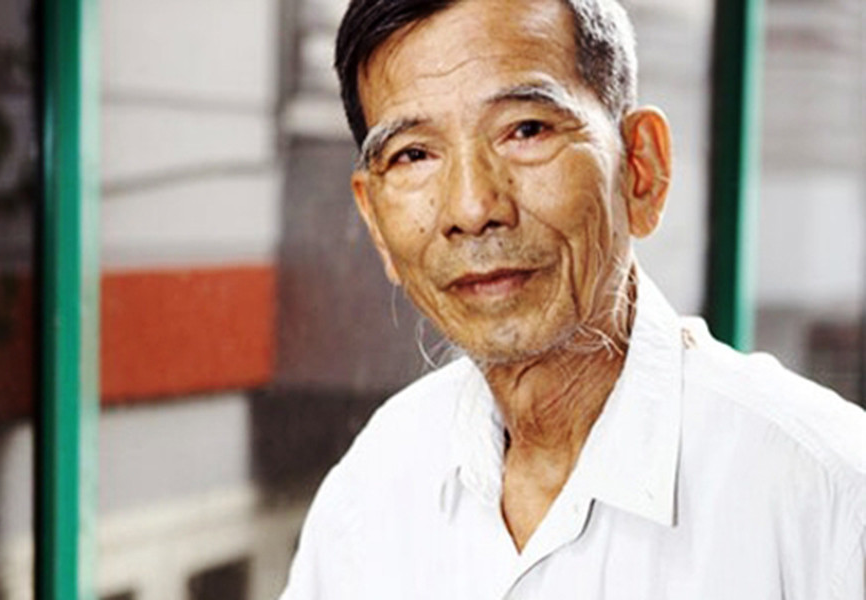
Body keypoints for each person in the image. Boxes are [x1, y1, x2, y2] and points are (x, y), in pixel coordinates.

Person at [281, 0, 866, 597]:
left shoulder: (829, 498)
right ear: (375, 222)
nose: (472, 208)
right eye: (413, 154)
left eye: (526, 130)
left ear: (641, 169)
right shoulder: (373, 489)